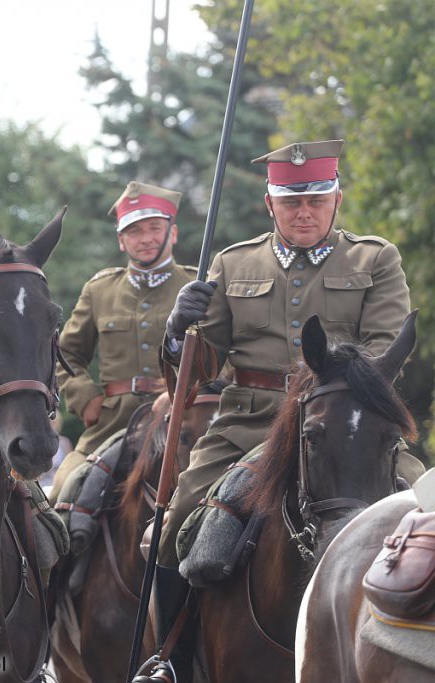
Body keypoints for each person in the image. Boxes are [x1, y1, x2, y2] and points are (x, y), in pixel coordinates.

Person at [137, 139, 427, 683]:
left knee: (424, 505)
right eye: (291, 202)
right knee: (176, 521)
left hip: (344, 421)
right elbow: (195, 373)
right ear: (270, 205)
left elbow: (387, 350)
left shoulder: (375, 258)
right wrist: (178, 332)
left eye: (317, 199)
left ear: (336, 199)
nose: (305, 212)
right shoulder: (233, 262)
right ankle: (169, 662)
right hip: (246, 424)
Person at [51, 182, 196, 502]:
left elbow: (223, 356)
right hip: (112, 423)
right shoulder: (100, 289)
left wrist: (180, 396)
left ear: (173, 233)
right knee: (64, 491)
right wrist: (86, 398)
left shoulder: (197, 286)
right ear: (121, 240)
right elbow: (67, 353)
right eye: (134, 231)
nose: (145, 238)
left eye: (155, 228)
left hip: (183, 422)